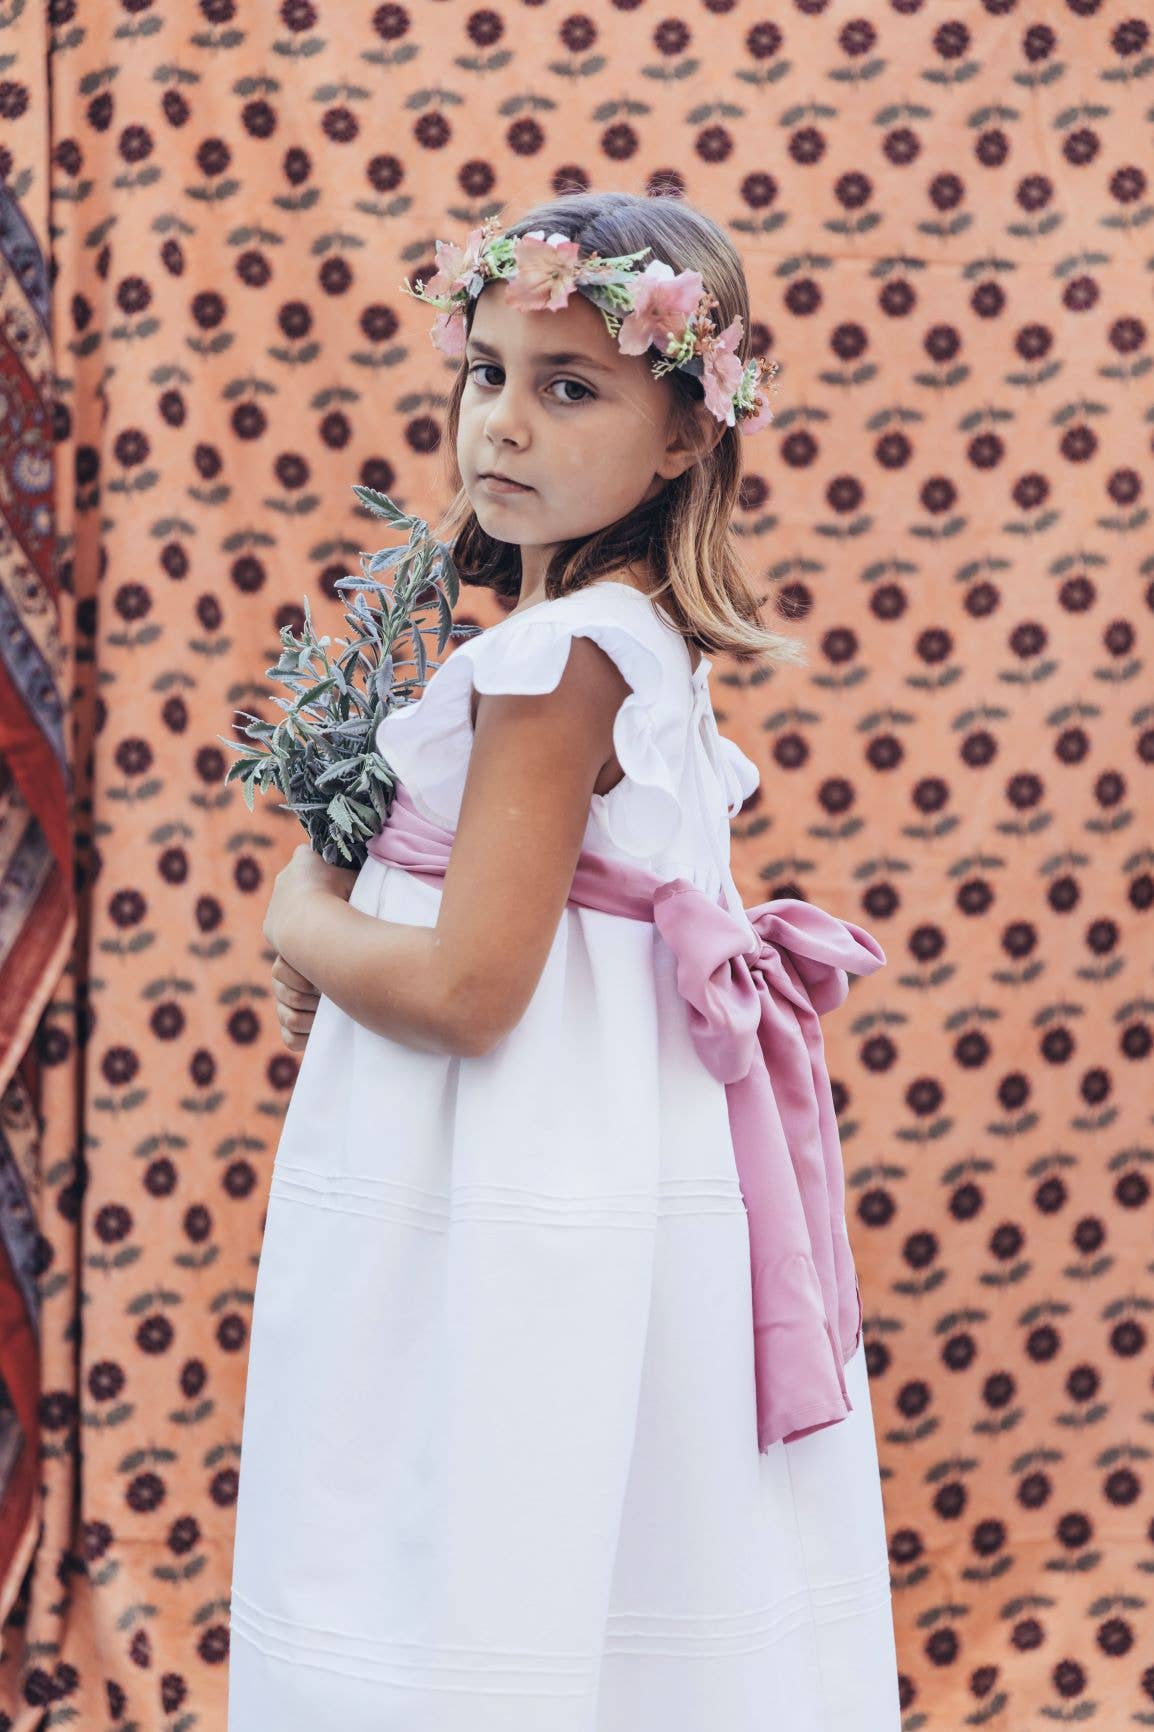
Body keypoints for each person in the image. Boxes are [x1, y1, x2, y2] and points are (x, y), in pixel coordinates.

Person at [226, 190, 902, 1732]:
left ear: (684, 436)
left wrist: (300, 914)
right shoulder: (625, 633)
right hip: (601, 1160)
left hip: (510, 1179)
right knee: (605, 1523)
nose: (505, 423)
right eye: (487, 373)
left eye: (571, 387)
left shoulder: (555, 660)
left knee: (463, 1532)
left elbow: (471, 994)